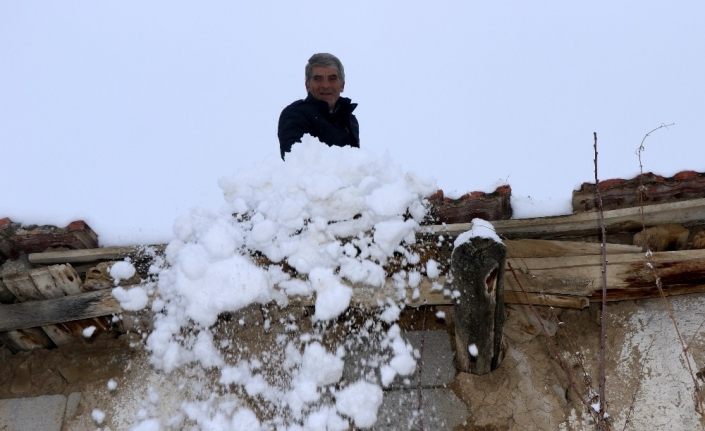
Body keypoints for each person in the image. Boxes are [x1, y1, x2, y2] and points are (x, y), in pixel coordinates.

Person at [278, 53, 360, 159]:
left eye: (332, 78)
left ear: (342, 85)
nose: (325, 85)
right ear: (307, 84)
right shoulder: (295, 115)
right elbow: (295, 161)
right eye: (318, 78)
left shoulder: (349, 120)